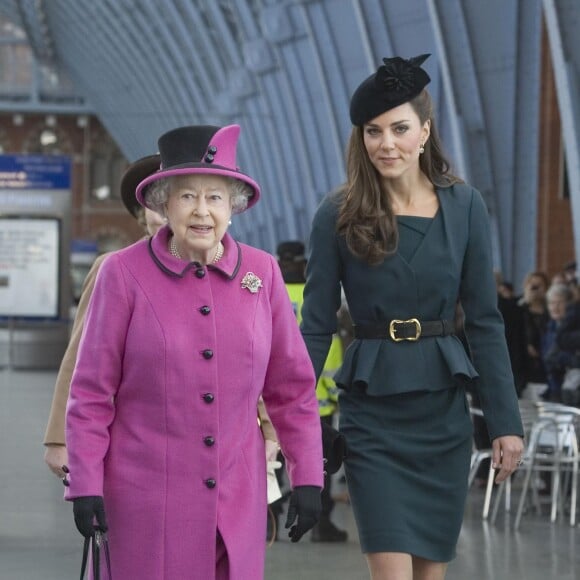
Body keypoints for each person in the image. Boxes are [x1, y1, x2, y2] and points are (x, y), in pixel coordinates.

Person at [299, 54, 524, 580]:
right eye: (373, 132)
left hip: (442, 413)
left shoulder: (466, 207)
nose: (386, 143)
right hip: (372, 416)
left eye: (399, 129)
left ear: (424, 132)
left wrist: (504, 422)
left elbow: (487, 322)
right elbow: (316, 324)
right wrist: (284, 413)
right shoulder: (337, 213)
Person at [64, 124, 323, 579]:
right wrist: (85, 483)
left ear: (233, 207)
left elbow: (292, 388)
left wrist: (307, 477)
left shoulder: (262, 273)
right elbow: (90, 392)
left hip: (235, 506)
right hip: (142, 505)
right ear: (164, 204)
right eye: (187, 196)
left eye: (215, 197)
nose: (202, 211)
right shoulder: (122, 274)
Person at [43, 154, 164, 478]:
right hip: (132, 438)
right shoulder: (114, 267)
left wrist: (267, 428)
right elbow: (80, 356)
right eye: (156, 204)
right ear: (141, 214)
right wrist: (60, 437)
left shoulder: (223, 272)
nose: (166, 215)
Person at [276, 240, 348, 542]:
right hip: (317, 404)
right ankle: (321, 523)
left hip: (273, 402)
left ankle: (270, 523)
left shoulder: (269, 293)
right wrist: (333, 391)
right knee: (319, 463)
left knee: (273, 463)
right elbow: (329, 346)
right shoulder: (313, 295)